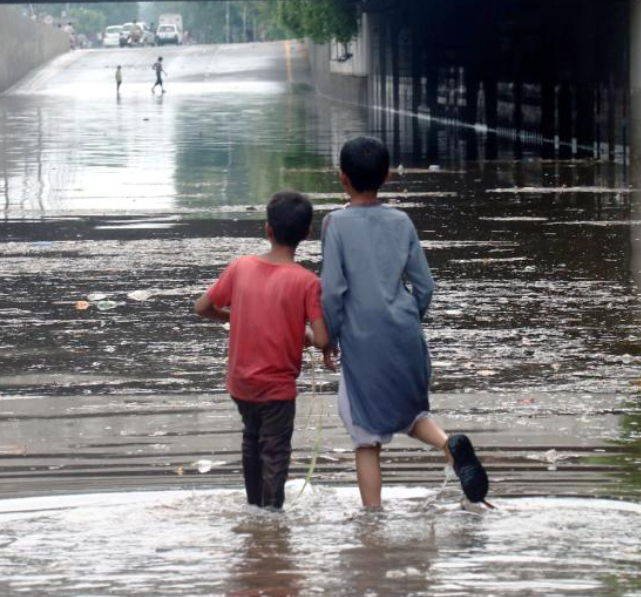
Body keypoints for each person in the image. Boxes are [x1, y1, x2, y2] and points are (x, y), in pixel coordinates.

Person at [320, 136, 489, 509]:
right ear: (389, 177)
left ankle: (372, 522)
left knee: (366, 438)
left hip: (363, 340)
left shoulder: (335, 225)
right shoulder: (402, 221)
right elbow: (424, 285)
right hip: (405, 332)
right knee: (410, 413)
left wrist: (327, 338)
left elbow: (332, 291)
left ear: (341, 178)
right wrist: (407, 320)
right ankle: (450, 446)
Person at [195, 191, 330, 510]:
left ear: (267, 229)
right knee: (276, 450)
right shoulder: (306, 281)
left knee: (251, 439)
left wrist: (234, 316)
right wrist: (307, 335)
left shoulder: (240, 267)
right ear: (306, 234)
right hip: (277, 389)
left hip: (241, 384)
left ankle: (254, 508)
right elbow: (323, 339)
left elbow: (202, 307)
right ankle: (272, 514)